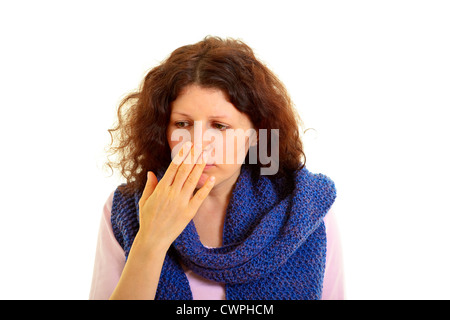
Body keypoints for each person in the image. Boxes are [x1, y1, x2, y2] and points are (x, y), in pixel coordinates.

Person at [89, 36, 344, 300]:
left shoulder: (306, 211)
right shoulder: (124, 209)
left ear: (256, 133)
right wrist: (150, 241)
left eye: (220, 126)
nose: (198, 143)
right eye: (182, 124)